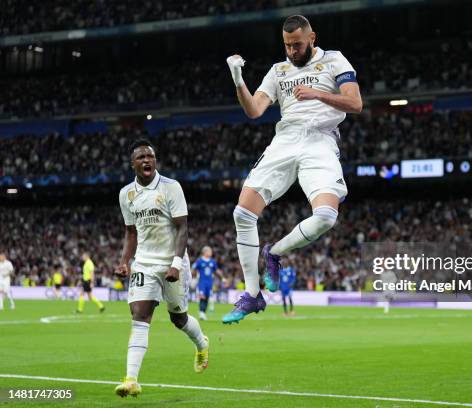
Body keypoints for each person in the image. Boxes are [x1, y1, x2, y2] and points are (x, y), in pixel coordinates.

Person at [223, 15, 362, 324]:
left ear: (312, 37)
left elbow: (355, 103)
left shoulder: (334, 60)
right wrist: (237, 78)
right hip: (284, 141)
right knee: (242, 213)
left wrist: (318, 94)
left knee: (326, 216)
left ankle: (274, 252)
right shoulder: (278, 71)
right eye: (287, 45)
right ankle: (252, 295)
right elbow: (255, 110)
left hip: (320, 141)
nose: (292, 51)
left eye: (297, 44)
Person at [114, 139, 209, 398]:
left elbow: (182, 228)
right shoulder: (126, 194)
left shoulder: (171, 187)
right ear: (133, 164)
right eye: (141, 157)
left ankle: (201, 343)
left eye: (150, 156)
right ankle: (131, 379)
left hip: (172, 262)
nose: (147, 160)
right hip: (144, 262)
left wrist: (176, 264)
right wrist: (125, 261)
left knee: (178, 318)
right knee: (140, 317)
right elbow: (131, 233)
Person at [191, 246, 221, 320]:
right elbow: (193, 268)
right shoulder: (200, 261)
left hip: (210, 282)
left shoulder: (212, 261)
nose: (211, 253)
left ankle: (203, 312)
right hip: (202, 282)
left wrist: (222, 278)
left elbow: (216, 270)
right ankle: (201, 312)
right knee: (202, 296)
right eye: (209, 251)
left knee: (207, 297)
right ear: (205, 252)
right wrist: (193, 276)